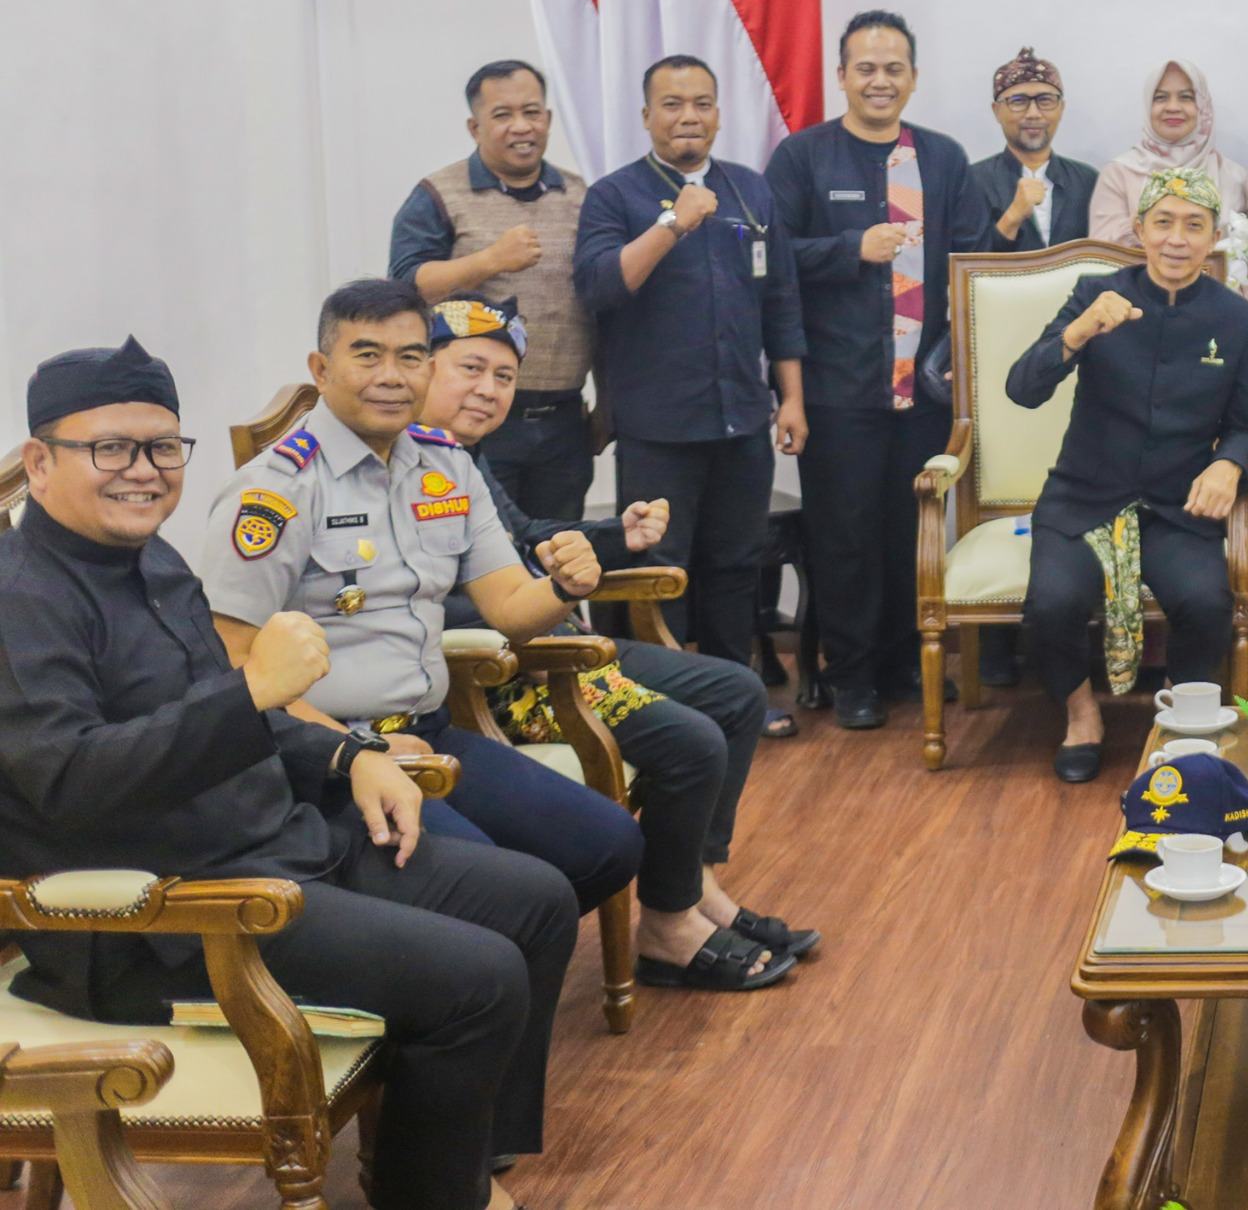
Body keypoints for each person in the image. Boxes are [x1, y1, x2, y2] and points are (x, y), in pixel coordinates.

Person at [0, 338, 576, 1210]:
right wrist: (251, 693)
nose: (143, 471)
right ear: (40, 462)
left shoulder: (152, 558)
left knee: (536, 900)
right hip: (165, 921)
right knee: (478, 977)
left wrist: (351, 756)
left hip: (274, 847)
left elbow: (241, 713)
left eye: (162, 447)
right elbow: (71, 780)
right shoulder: (21, 599)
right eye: (110, 448)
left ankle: (449, 1166)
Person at [199, 278, 644, 919]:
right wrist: (353, 751)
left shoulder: (446, 466)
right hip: (326, 760)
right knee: (509, 895)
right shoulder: (275, 492)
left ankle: (487, 950)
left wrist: (564, 585)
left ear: (428, 369)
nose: (391, 375)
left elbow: (511, 610)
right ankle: (468, 950)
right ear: (321, 370)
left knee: (610, 844)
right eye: (367, 355)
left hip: (431, 734)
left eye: (409, 357)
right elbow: (233, 667)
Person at [418, 297, 817, 989]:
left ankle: (695, 887)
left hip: (557, 636)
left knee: (737, 692)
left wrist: (615, 537)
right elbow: (436, 600)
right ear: (421, 367)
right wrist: (541, 600)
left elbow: (525, 538)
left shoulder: (459, 457)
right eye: (471, 369)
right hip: (513, 669)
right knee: (693, 742)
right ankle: (667, 927)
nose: (489, 390)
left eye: (504, 377)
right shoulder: (406, 463)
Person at [1008, 165, 1248, 782]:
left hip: (1177, 508)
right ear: (1139, 229)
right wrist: (1079, 331)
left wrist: (1229, 463)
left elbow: (1246, 425)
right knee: (1051, 604)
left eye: (1194, 226)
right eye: (1163, 223)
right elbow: (1022, 389)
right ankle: (1081, 714)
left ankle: (1181, 715)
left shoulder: (1240, 320)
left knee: (1207, 602)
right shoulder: (1096, 296)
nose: (1177, 239)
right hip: (1084, 498)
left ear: (1214, 238)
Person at [766, 12, 988, 724]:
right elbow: (771, 260)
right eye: (866, 68)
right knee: (845, 539)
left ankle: (903, 665)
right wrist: (849, 249)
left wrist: (966, 370)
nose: (880, 80)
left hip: (924, 390)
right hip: (837, 391)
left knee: (911, 533)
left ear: (913, 78)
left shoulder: (943, 158)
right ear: (842, 76)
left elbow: (974, 263)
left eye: (894, 68)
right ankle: (852, 677)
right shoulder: (803, 157)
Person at [573, 55, 807, 671]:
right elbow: (600, 288)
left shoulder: (750, 189)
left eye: (702, 104)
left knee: (736, 567)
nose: (688, 117)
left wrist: (792, 399)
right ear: (647, 116)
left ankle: (737, 696)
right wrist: (674, 223)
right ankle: (670, 703)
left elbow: (781, 299)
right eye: (672, 104)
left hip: (742, 420)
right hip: (659, 430)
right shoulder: (613, 194)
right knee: (660, 571)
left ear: (719, 115)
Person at [388, 59, 597, 519]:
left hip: (564, 420)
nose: (521, 126)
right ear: (475, 127)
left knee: (559, 549)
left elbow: (603, 304)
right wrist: (490, 261)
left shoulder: (582, 196)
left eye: (532, 112)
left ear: (548, 118)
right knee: (477, 547)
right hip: (471, 417)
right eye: (502, 115)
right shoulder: (438, 193)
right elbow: (403, 288)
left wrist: (608, 404)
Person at [1090, 59, 1248, 248]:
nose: (1172, 107)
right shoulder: (1119, 173)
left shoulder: (1234, 177)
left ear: (1203, 106)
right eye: (1160, 98)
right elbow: (1101, 252)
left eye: (1186, 97)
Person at [964, 46, 1097, 253]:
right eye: (1018, 101)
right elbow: (964, 263)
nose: (1033, 113)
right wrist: (1013, 216)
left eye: (1045, 100)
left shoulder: (1087, 181)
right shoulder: (971, 182)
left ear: (1061, 108)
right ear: (997, 111)